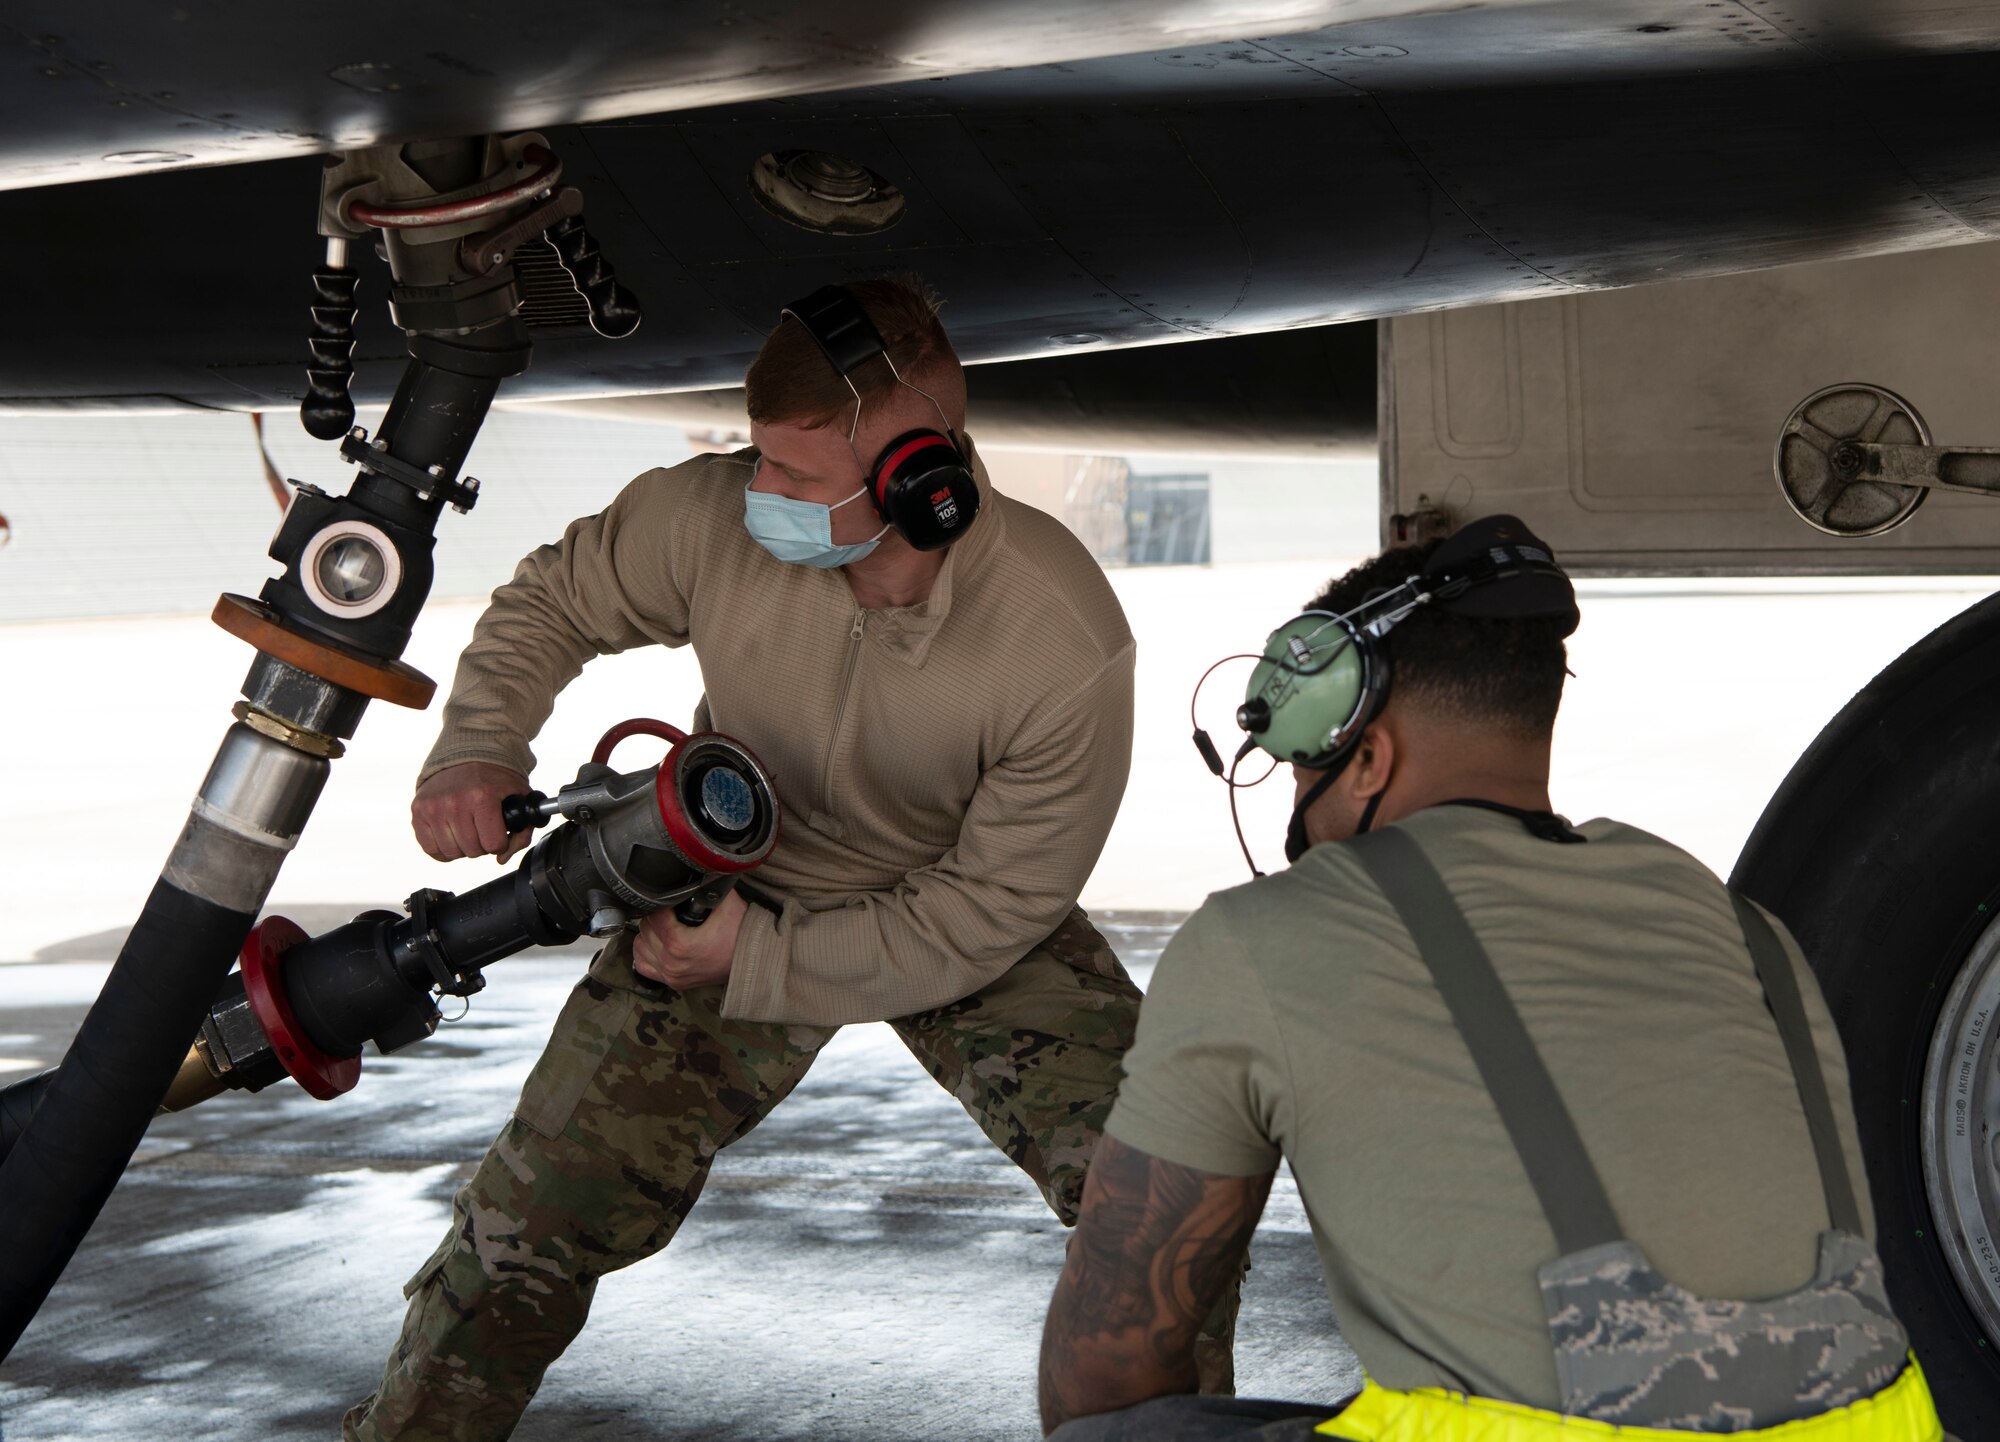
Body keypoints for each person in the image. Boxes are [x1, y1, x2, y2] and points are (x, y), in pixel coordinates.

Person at [344, 276, 1232, 1440]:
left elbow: (986, 907)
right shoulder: (708, 517)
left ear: (925, 483)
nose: (759, 494)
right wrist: (475, 746)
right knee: (527, 1225)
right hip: (727, 875)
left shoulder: (1058, 640)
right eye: (759, 460)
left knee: (1159, 1206)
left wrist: (759, 962)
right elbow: (551, 601)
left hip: (957, 912)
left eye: (797, 478)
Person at [1038, 517, 1948, 1441]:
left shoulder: (1263, 939)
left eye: (1301, 784)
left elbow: (1107, 1363)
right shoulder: (1736, 924)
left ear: (1367, 759)